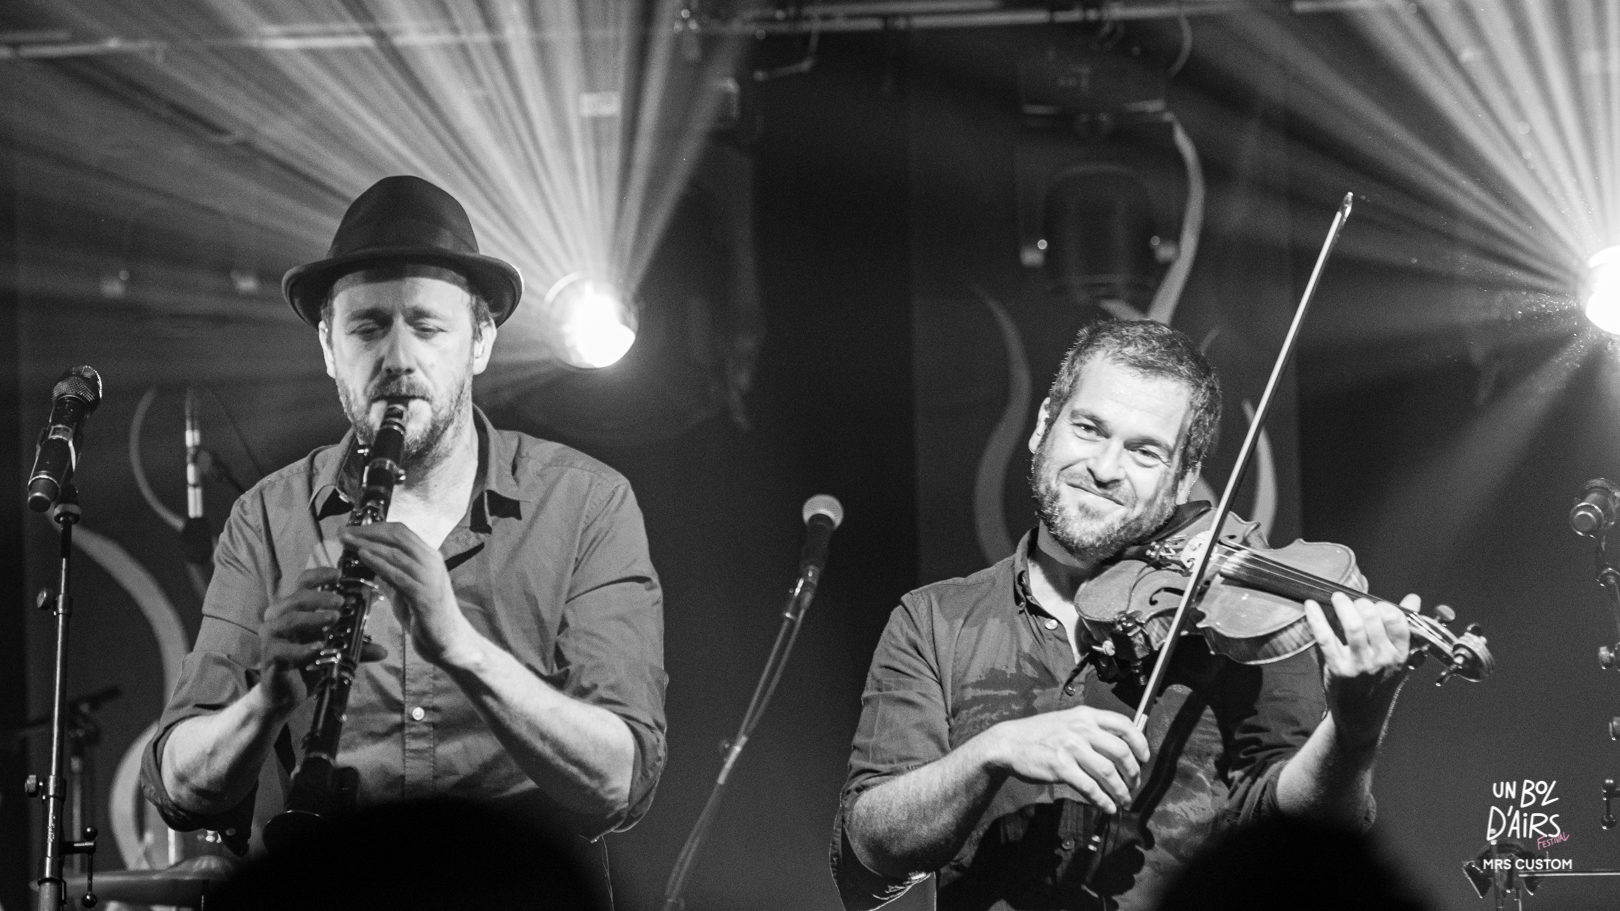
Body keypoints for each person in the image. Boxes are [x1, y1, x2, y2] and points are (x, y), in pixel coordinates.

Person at [140, 177, 666, 889]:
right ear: (328, 346)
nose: (397, 358)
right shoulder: (268, 516)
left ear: (481, 340)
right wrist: (267, 703)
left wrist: (461, 648)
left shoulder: (586, 503)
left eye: (427, 326)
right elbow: (177, 786)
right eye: (366, 328)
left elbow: (619, 781)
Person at [831, 319, 1418, 911]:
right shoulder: (934, 620)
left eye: (1145, 452)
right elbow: (871, 854)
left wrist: (1353, 734)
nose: (1106, 468)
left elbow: (1307, 844)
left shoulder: (1239, 617)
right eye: (1088, 429)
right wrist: (991, 751)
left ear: (1184, 480)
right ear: (1043, 426)